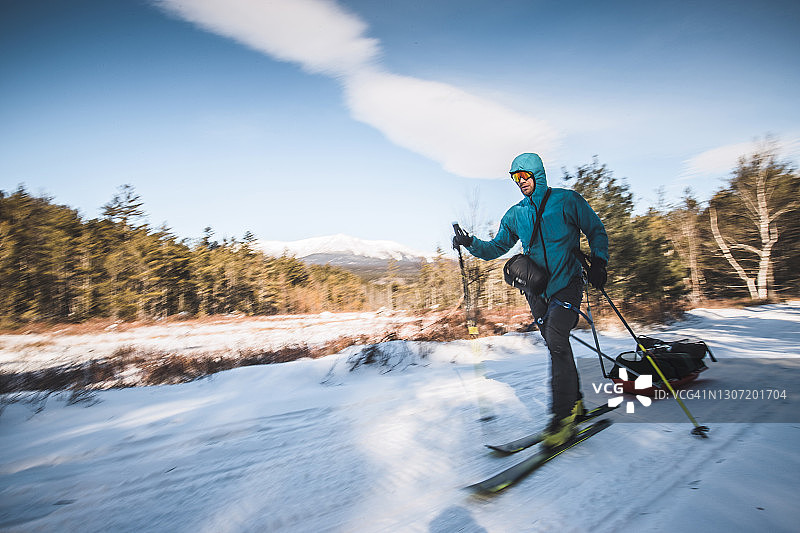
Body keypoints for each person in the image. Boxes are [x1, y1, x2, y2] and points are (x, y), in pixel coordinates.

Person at [453, 152, 608, 448]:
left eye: (525, 176)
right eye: (516, 177)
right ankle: (574, 404)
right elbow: (496, 247)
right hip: (536, 291)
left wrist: (599, 262)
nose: (521, 182)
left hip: (567, 284)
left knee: (557, 339)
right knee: (556, 346)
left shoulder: (567, 201)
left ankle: (562, 419)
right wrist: (470, 242)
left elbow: (596, 230)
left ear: (538, 174)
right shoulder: (515, 214)